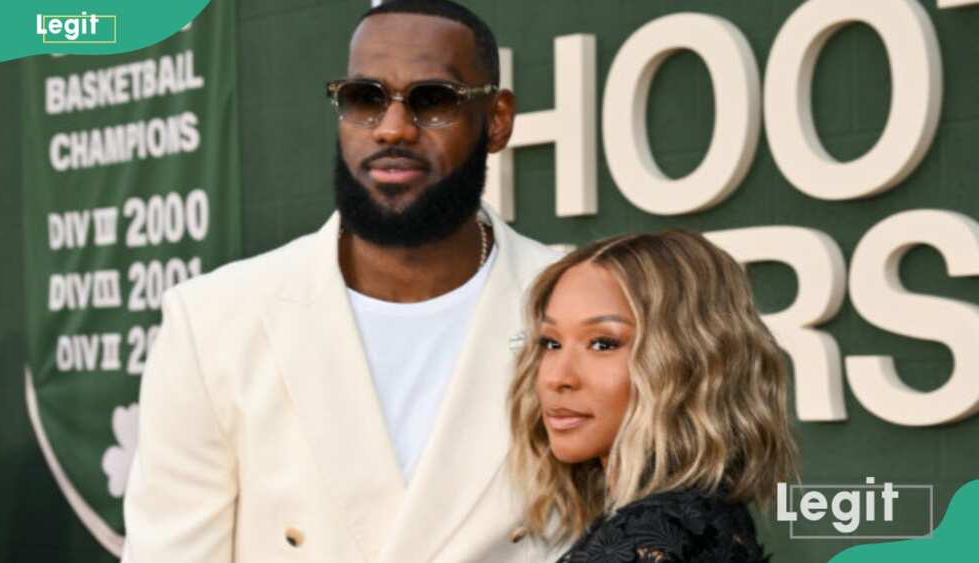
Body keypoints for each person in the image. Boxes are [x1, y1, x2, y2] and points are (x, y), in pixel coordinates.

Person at [121, 1, 563, 561]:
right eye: (365, 98)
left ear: (497, 120)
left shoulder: (574, 303)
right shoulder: (214, 322)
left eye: (433, 100)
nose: (393, 128)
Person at [507, 231, 799, 563]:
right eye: (551, 342)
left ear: (690, 361)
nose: (557, 377)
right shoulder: (699, 519)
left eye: (603, 343)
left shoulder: (651, 535)